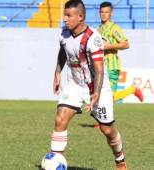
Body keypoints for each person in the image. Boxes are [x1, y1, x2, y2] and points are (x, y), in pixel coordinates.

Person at [51, 1, 127, 169]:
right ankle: (55, 162)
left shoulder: (93, 38)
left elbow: (99, 70)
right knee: (60, 117)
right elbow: (63, 51)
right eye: (64, 15)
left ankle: (120, 159)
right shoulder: (63, 33)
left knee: (107, 130)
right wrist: (57, 73)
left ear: (80, 17)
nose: (65, 19)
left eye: (69, 16)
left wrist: (97, 94)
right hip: (75, 85)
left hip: (97, 87)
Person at [98, 1, 143, 102]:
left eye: (106, 12)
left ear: (111, 13)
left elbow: (126, 44)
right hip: (100, 67)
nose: (104, 14)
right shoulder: (98, 30)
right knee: (101, 97)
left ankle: (133, 89)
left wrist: (109, 46)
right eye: (102, 12)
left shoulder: (114, 28)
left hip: (111, 66)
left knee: (109, 98)